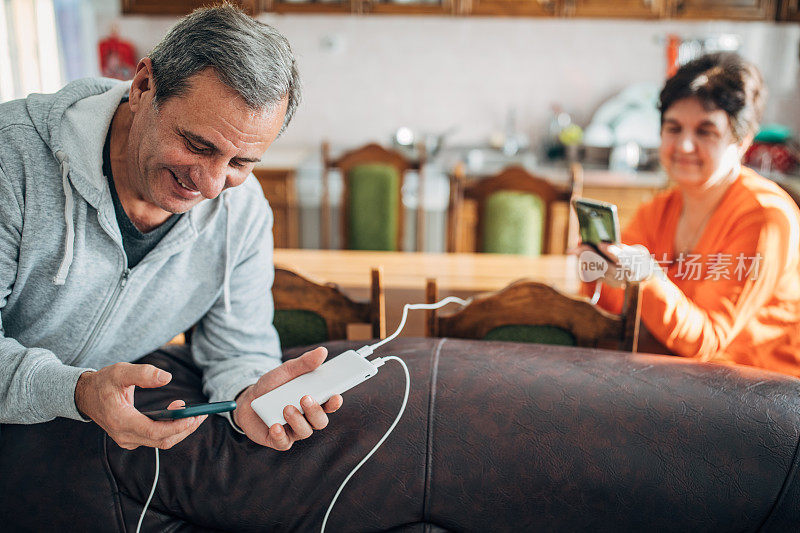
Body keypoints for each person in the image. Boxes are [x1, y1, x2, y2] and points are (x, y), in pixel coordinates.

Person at [0, 4, 342, 451]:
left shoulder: (244, 212)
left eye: (240, 163)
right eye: (198, 146)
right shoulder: (12, 160)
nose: (213, 184)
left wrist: (249, 397)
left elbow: (236, 349)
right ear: (143, 86)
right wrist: (77, 391)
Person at [580, 52, 800, 375]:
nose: (683, 145)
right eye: (673, 128)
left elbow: (706, 339)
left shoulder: (766, 219)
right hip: (683, 375)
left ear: (742, 142)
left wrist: (647, 278)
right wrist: (600, 267)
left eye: (705, 131)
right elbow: (613, 309)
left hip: (761, 395)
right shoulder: (661, 209)